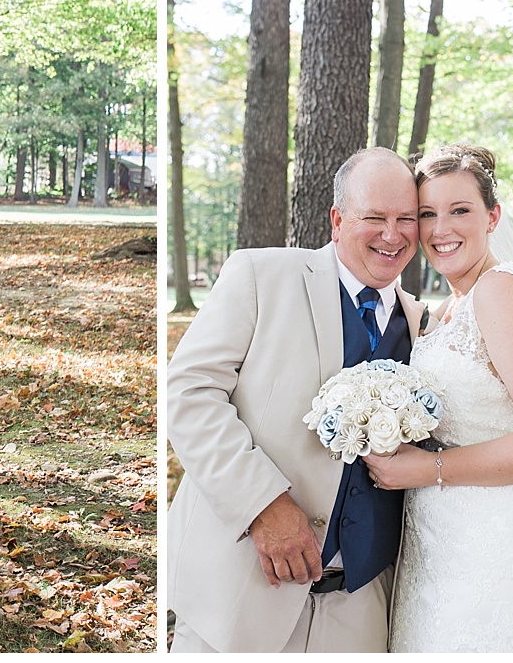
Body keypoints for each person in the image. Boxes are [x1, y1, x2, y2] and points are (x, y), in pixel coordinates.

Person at [164, 147, 424, 652]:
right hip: (241, 592)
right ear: (336, 219)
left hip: (362, 609)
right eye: (374, 218)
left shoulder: (423, 324)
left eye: (405, 219)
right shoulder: (261, 275)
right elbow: (189, 391)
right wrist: (263, 505)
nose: (392, 235)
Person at [365, 144, 513, 652]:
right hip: (442, 541)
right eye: (427, 214)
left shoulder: (500, 293)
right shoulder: (447, 308)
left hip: (499, 546)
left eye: (460, 210)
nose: (441, 228)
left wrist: (427, 470)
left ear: (493, 217)